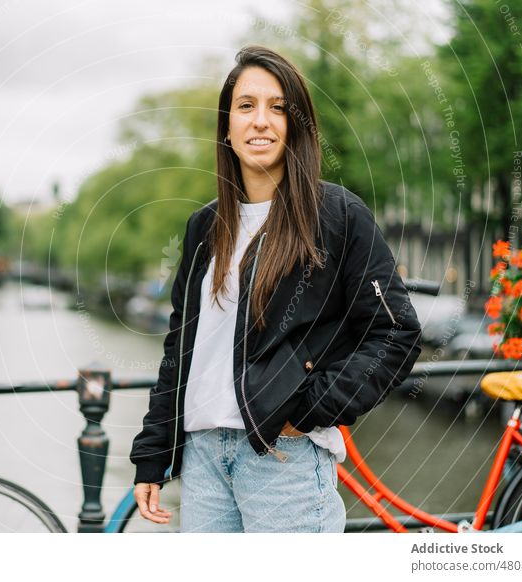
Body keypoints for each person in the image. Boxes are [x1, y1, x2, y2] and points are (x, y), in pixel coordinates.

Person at [129, 45, 423, 532]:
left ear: (296, 125)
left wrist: (310, 410)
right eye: (246, 106)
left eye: (278, 107)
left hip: (281, 458)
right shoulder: (205, 226)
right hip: (203, 460)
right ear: (227, 126)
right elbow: (180, 347)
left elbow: (395, 332)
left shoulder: (336, 215)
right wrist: (153, 451)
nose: (260, 120)